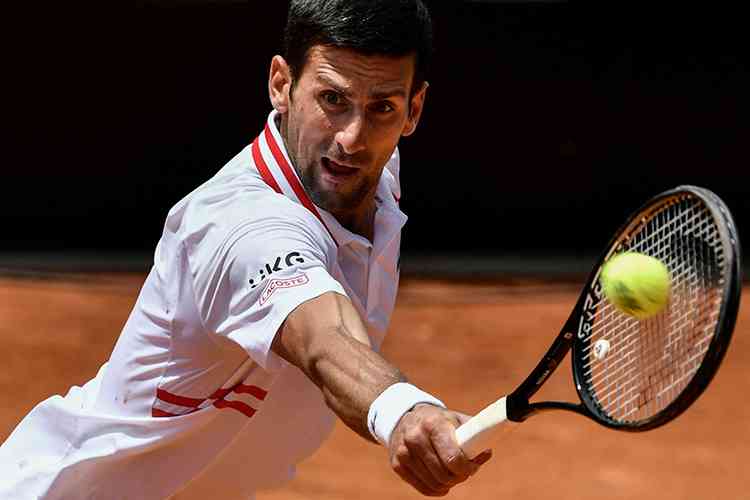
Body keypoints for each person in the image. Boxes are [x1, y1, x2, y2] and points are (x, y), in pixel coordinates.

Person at [0, 1, 491, 498]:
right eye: (331, 100)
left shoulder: (373, 172)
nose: (351, 139)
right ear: (281, 83)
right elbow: (325, 339)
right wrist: (401, 409)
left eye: (382, 107)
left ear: (414, 110)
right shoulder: (240, 225)